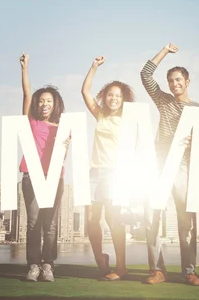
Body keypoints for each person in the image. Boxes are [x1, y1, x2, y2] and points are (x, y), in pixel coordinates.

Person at [140, 43, 199, 286]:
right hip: (158, 166)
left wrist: (192, 141)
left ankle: (189, 271)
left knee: (186, 221)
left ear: (187, 81)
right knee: (151, 218)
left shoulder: (198, 109)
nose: (174, 84)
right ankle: (157, 269)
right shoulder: (163, 101)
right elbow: (145, 75)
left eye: (178, 80)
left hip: (183, 168)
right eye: (171, 80)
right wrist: (165, 51)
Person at [81, 56, 135, 280]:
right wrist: (93, 67)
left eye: (118, 96)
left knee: (114, 220)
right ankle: (100, 257)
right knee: (91, 220)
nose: (114, 98)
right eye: (110, 94)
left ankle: (121, 267)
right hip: (95, 172)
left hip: (116, 173)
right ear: (105, 97)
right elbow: (85, 92)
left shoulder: (129, 119)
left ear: (124, 99)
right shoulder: (100, 115)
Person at [20, 53, 67, 282]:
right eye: (42, 101)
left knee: (50, 225)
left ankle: (48, 264)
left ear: (55, 104)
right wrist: (25, 68)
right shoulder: (31, 122)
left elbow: (65, 155)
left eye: (49, 101)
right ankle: (33, 265)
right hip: (32, 176)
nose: (44, 104)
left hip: (54, 177)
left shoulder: (63, 127)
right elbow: (27, 94)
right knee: (33, 222)